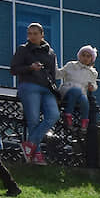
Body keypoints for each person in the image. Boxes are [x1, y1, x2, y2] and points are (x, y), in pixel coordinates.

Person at [10, 23, 59, 165]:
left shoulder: (50, 52)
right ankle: (36, 155)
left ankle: (30, 144)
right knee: (33, 121)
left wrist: (55, 92)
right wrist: (30, 68)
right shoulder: (23, 49)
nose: (32, 36)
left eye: (35, 33)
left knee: (53, 115)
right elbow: (14, 69)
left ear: (42, 35)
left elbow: (53, 74)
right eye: (29, 33)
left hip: (46, 88)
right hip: (29, 86)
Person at [57, 45, 98, 130]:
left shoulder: (92, 72)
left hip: (81, 93)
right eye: (83, 55)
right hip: (67, 90)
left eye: (88, 56)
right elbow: (58, 74)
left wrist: (92, 87)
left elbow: (94, 84)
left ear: (91, 59)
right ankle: (68, 114)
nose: (85, 58)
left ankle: (84, 121)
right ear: (79, 56)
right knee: (76, 91)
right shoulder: (71, 65)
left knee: (84, 99)